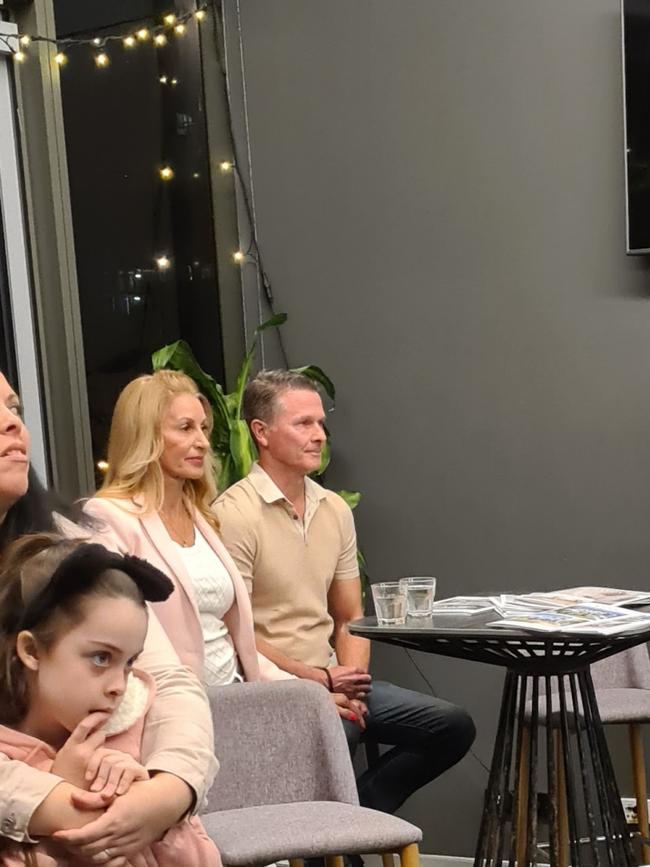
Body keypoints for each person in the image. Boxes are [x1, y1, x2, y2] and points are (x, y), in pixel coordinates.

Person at [214, 370, 476, 815]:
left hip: (334, 678)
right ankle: (336, 844)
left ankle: (357, 817)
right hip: (276, 688)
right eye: (303, 424)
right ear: (261, 432)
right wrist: (315, 682)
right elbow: (233, 632)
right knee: (340, 735)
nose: (318, 436)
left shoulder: (333, 509)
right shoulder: (234, 515)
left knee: (452, 726)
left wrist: (351, 685)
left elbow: (349, 616)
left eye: (320, 423)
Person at [0, 371, 217, 867]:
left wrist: (169, 791)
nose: (12, 426)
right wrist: (60, 802)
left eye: (15, 409)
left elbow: (168, 682)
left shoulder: (76, 548)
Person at [0, 533, 219, 867]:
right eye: (101, 657)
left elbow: (202, 857)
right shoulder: (8, 759)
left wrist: (157, 813)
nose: (119, 685)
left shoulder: (138, 735)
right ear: (31, 651)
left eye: (130, 662)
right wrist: (64, 786)